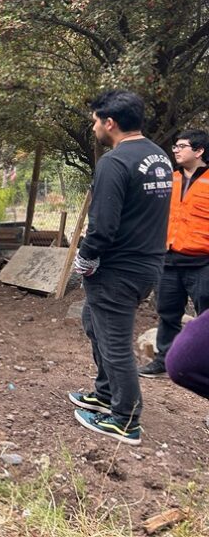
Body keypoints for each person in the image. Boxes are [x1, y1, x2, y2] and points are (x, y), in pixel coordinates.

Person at [68, 90, 172, 446]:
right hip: (148, 263)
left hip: (118, 269)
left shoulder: (114, 162)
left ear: (110, 123)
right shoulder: (159, 157)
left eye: (96, 119)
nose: (94, 125)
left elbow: (103, 225)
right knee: (92, 324)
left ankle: (125, 419)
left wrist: (86, 257)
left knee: (114, 342)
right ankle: (105, 392)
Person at [139, 129, 209, 377]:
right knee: (167, 313)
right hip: (168, 261)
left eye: (182, 146)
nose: (176, 150)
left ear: (199, 151)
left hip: (202, 263)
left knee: (206, 318)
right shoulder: (169, 179)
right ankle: (163, 361)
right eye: (176, 146)